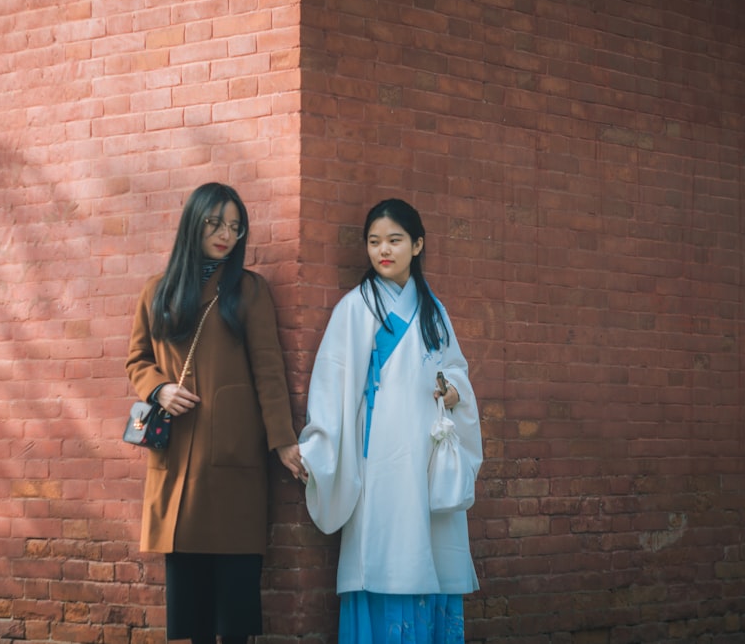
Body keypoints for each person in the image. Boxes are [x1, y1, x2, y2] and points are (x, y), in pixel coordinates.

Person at [126, 182, 304, 644]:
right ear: (194, 223)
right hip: (177, 456)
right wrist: (159, 389)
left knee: (236, 605)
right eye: (215, 223)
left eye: (235, 226)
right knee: (192, 609)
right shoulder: (157, 292)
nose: (226, 234)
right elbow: (137, 359)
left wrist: (283, 439)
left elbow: (269, 369)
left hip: (233, 460)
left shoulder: (247, 290)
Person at [298, 198, 482, 643]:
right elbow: (330, 382)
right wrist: (317, 447)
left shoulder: (434, 311)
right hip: (378, 457)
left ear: (417, 245)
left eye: (395, 240)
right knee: (382, 555)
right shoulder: (354, 308)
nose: (384, 250)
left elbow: (455, 367)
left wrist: (454, 389)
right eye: (375, 241)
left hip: (427, 453)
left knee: (430, 551)